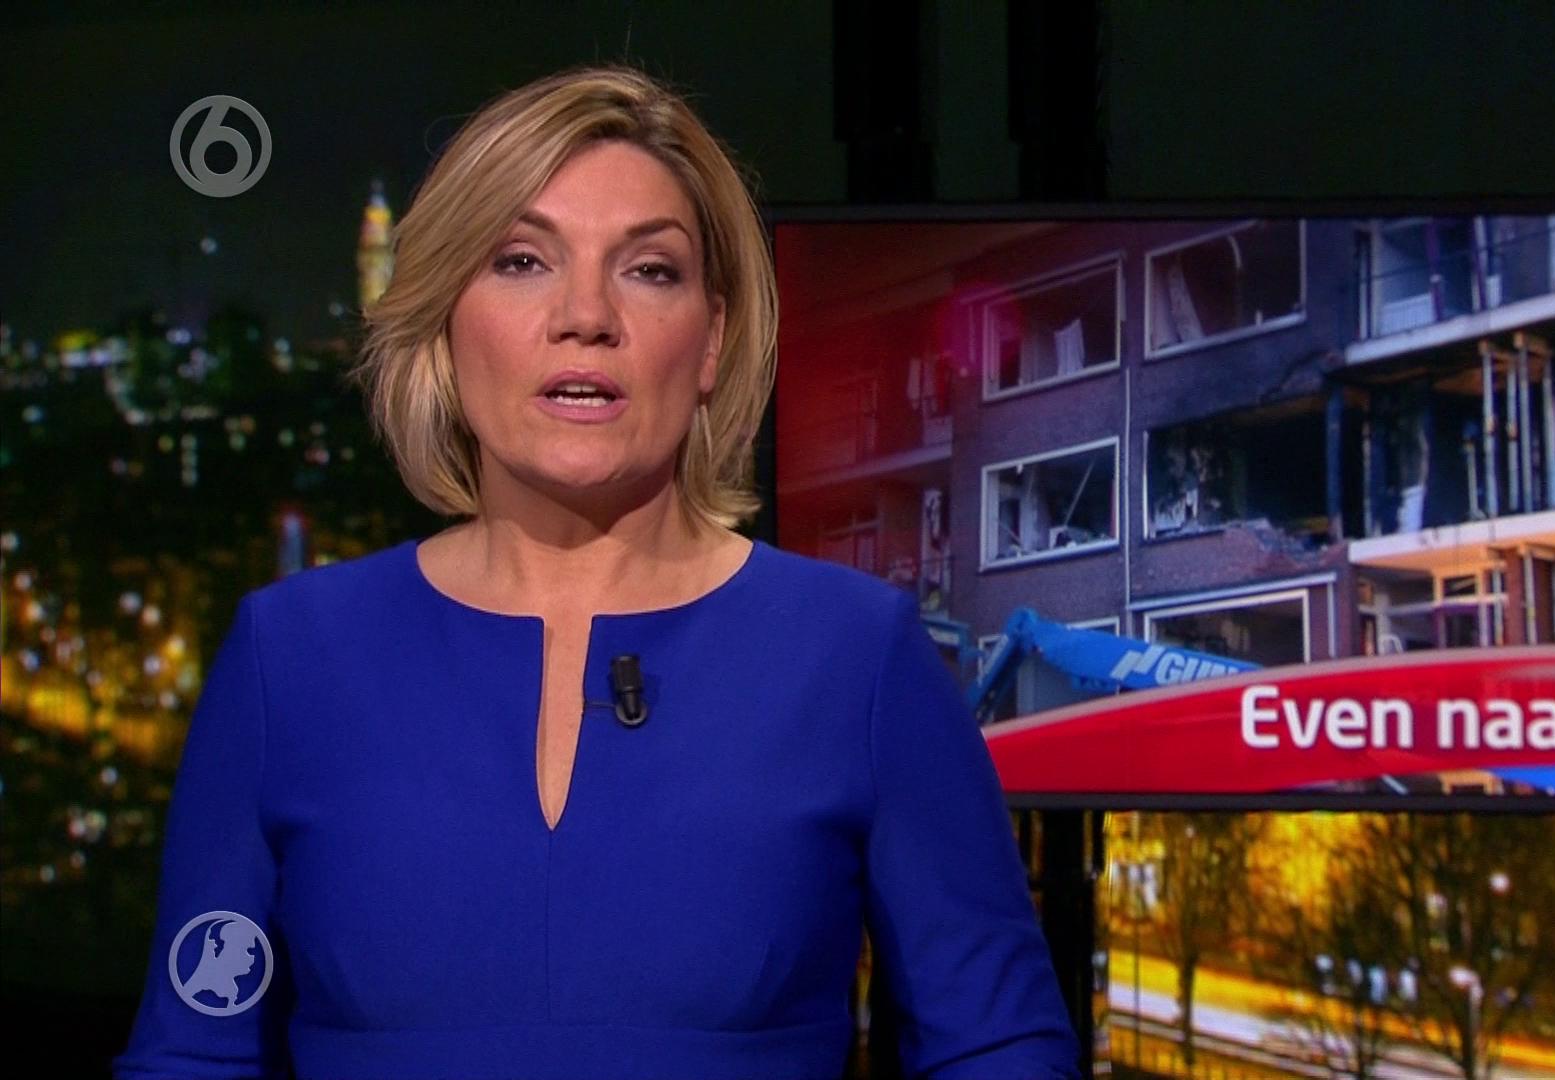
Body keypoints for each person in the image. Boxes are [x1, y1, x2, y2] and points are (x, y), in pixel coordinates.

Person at [112, 63, 1080, 1080]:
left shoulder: (859, 654)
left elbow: (1000, 1049)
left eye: (649, 270)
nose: (585, 314)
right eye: (522, 260)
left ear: (712, 341)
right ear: (443, 319)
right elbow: (192, 1055)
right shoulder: (289, 656)